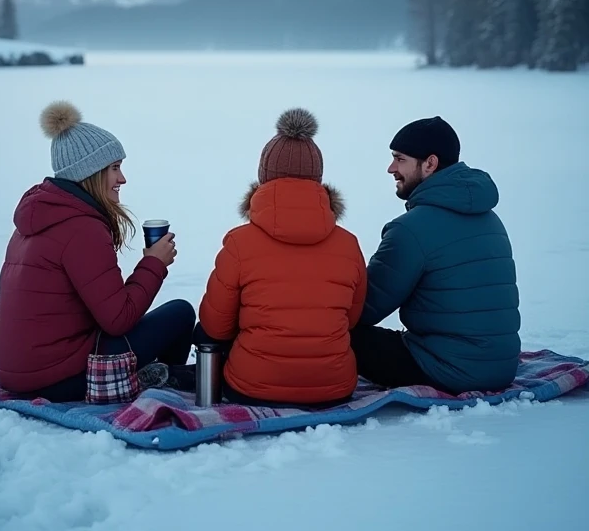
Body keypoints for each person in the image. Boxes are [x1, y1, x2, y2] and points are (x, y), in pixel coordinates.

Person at [0, 101, 195, 401]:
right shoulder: (81, 228)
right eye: (114, 168)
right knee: (180, 313)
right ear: (91, 173)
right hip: (60, 379)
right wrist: (154, 264)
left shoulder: (35, 220)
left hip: (16, 374)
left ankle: (154, 375)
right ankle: (164, 387)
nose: (122, 178)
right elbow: (118, 319)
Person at [197, 108, 367, 407]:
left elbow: (215, 326)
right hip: (334, 388)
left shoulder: (239, 242)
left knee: (207, 328)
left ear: (263, 177)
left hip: (253, 388)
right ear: (318, 179)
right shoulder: (349, 244)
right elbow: (350, 320)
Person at [351, 116, 520, 394]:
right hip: (500, 367)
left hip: (448, 369)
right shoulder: (489, 217)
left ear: (429, 163)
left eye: (400, 159)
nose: (391, 168)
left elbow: (365, 309)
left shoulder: (410, 229)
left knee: (338, 334)